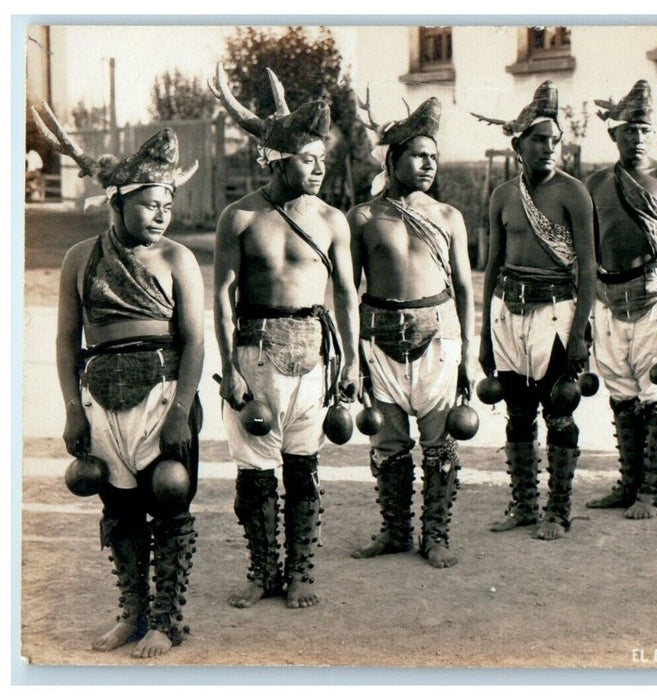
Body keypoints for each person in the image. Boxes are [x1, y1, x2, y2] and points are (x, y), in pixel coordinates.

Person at [40, 100, 205, 657]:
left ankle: (166, 620)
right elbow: (67, 341)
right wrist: (69, 407)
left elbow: (195, 341)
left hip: (161, 395)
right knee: (119, 508)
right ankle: (131, 614)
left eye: (167, 205)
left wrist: (182, 408)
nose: (161, 215)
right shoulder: (80, 258)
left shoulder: (177, 259)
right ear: (117, 201)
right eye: (150, 204)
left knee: (169, 496)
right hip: (101, 397)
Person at [210, 64, 359, 608]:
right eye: (307, 159)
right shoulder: (240, 219)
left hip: (313, 356)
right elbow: (222, 296)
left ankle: (301, 572)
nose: (318, 168)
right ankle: (261, 570)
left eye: (323, 158)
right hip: (254, 354)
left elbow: (346, 296)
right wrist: (228, 367)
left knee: (303, 468)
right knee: (255, 474)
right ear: (275, 159)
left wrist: (354, 364)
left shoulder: (333, 220)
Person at [348, 94, 475, 567]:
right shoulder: (361, 217)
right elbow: (348, 289)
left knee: (439, 439)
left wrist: (468, 350)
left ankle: (436, 534)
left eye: (434, 157)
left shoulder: (448, 217)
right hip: (379, 335)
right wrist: (352, 352)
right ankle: (395, 531)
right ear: (393, 158)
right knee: (389, 440)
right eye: (418, 156)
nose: (428, 164)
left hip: (437, 333)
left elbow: (463, 286)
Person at [473, 81, 596, 539]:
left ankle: (558, 512)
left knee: (560, 407)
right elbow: (492, 266)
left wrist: (581, 331)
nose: (548, 148)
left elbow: (587, 270)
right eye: (539, 140)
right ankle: (524, 505)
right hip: (510, 312)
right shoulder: (503, 196)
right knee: (518, 412)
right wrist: (485, 333)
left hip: (556, 314)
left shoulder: (573, 194)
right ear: (518, 145)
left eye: (554, 140)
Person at [582, 79, 657, 520]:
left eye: (646, 130)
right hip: (610, 300)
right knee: (623, 395)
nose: (639, 138)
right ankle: (628, 484)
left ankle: (651, 491)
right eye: (629, 130)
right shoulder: (595, 183)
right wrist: (589, 308)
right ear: (614, 134)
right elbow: (589, 251)